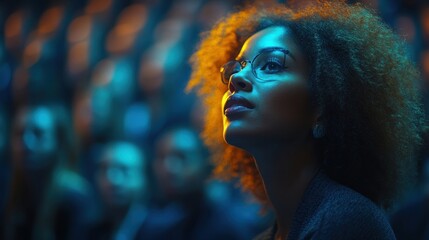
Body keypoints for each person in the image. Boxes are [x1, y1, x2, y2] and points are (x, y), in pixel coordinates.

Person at [187, 1, 425, 239]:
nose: (236, 78)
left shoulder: (348, 221)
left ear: (321, 108)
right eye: (235, 69)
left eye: (271, 65)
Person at [3, 103, 95, 240]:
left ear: (58, 142)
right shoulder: (10, 193)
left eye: (38, 134)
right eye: (19, 133)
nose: (26, 142)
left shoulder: (74, 199)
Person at [90, 141, 150, 240]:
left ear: (143, 178)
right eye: (104, 169)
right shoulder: (90, 230)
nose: (112, 180)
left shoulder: (162, 230)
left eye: (124, 170)